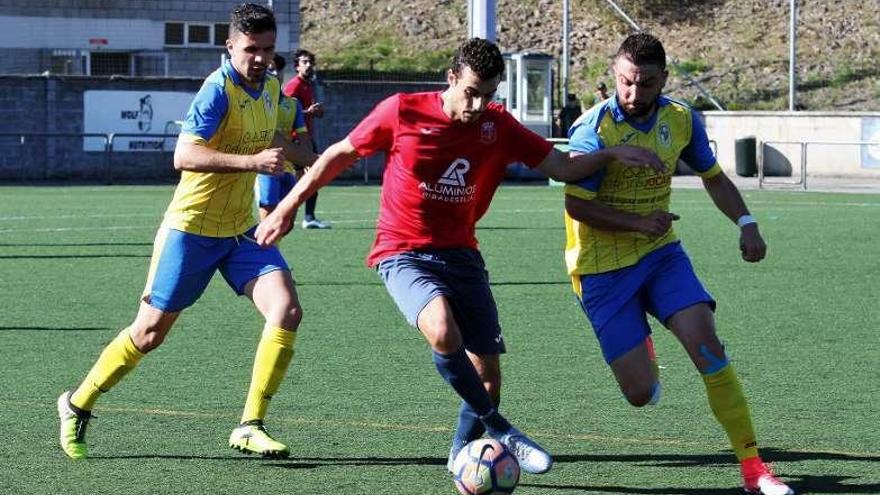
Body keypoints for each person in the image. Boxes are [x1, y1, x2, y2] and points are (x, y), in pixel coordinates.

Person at [255, 37, 665, 475]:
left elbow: (562, 168)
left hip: (463, 256)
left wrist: (610, 153)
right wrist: (285, 207)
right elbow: (338, 154)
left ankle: (461, 456)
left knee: (488, 378)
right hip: (403, 251)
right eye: (471, 92)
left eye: (488, 96)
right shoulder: (402, 111)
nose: (477, 105)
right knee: (442, 330)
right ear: (451, 78)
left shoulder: (498, 124)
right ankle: (501, 429)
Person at [57, 3, 310, 460]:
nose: (260, 58)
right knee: (150, 333)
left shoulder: (273, 87)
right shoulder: (216, 92)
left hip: (240, 231)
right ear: (230, 46)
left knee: (287, 309)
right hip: (190, 229)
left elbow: (286, 145)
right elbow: (184, 156)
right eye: (251, 49)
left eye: (269, 50)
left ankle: (250, 424)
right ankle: (77, 404)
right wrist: (253, 162)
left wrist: (304, 152)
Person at [563, 32, 794, 495]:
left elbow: (713, 177)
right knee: (639, 394)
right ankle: (643, 352)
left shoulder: (681, 120)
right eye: (627, 81)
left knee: (707, 346)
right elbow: (577, 207)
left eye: (646, 83)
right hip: (602, 270)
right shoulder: (592, 131)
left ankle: (753, 468)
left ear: (663, 79)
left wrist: (746, 222)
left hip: (661, 254)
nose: (634, 93)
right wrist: (636, 222)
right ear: (614, 75)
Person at [258, 54, 315, 234]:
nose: (274, 73)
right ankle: (267, 259)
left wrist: (307, 160)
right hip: (265, 167)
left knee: (287, 222)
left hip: (288, 167)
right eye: (269, 69)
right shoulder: (256, 102)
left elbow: (303, 136)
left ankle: (270, 255)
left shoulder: (293, 104)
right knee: (268, 218)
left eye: (277, 69)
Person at [282, 48, 330, 229]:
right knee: (311, 176)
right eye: (304, 62)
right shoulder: (293, 85)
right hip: (297, 140)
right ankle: (303, 217)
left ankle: (307, 217)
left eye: (310, 62)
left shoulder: (307, 85)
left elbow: (302, 113)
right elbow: (285, 110)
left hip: (306, 138)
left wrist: (314, 113)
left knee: (310, 178)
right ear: (296, 66)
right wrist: (307, 112)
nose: (309, 65)